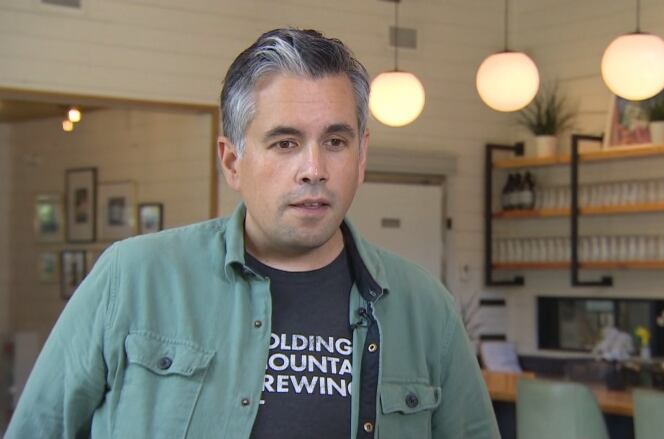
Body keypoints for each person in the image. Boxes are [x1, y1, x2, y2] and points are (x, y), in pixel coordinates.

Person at [5, 28, 499, 439]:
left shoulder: (425, 309)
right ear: (232, 160)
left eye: (335, 141)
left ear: (362, 155)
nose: (314, 168)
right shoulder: (132, 278)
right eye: (285, 142)